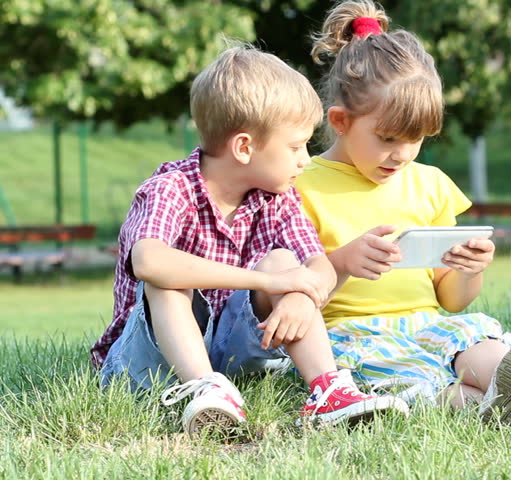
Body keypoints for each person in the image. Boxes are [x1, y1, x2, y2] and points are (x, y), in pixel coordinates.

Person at [296, 0, 511, 425]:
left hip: (427, 323)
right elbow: (287, 293)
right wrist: (342, 263)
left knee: (472, 338)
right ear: (340, 121)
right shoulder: (303, 185)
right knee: (422, 382)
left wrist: (468, 269)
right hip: (350, 333)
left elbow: (451, 300)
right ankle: (509, 406)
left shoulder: (428, 184)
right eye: (388, 137)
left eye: (416, 139)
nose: (402, 154)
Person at [90, 43, 408, 434]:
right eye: (295, 146)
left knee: (282, 261)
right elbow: (149, 263)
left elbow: (317, 264)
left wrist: (299, 296)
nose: (305, 159)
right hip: (146, 365)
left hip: (233, 352)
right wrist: (269, 282)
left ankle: (329, 391)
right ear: (244, 147)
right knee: (169, 280)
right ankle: (201, 389)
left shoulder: (277, 196)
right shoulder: (170, 188)